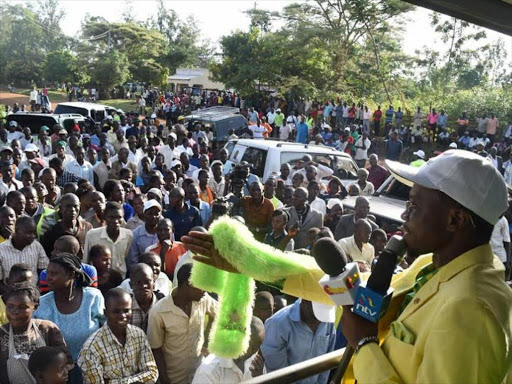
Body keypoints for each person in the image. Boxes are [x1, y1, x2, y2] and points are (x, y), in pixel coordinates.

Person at [341, 150, 512, 383]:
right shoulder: (438, 269)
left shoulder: (471, 310)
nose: (404, 214)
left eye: (414, 206)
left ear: (455, 220)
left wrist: (364, 344)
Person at [33, 252, 104, 382]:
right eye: (48, 273)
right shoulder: (41, 305)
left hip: (94, 371)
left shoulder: (93, 298)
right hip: (58, 376)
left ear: (71, 275)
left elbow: (107, 330)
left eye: (54, 274)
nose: (48, 277)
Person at [148, 263, 217, 384]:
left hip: (199, 374)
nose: (205, 291)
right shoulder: (158, 312)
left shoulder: (203, 299)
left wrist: (207, 339)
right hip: (174, 378)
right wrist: (165, 381)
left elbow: (220, 314)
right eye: (202, 286)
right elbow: (156, 350)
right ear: (188, 284)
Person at [77, 288, 158, 384]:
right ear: (105, 313)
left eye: (126, 310)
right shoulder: (91, 348)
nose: (122, 316)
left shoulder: (139, 335)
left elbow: (152, 373)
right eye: (116, 311)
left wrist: (113, 382)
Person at [0, 283, 68, 384]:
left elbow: (65, 365)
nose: (15, 312)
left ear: (35, 307)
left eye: (22, 307)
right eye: (10, 307)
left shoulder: (47, 329)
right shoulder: (1, 334)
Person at [261, 298, 336, 384]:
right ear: (305, 301)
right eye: (316, 316)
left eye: (324, 316)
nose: (320, 321)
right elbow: (277, 374)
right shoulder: (277, 324)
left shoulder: (328, 322)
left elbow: (326, 365)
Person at [192, 317, 266, 383]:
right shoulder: (209, 371)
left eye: (256, 345)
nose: (252, 350)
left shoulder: (255, 363)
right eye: (249, 343)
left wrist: (260, 378)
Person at [84, 202, 133, 277]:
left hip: (120, 279)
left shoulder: (128, 235)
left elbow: (126, 257)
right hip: (98, 279)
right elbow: (86, 261)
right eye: (111, 217)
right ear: (104, 217)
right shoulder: (92, 235)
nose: (116, 221)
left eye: (119, 217)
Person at [0, 217, 47, 292]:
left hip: (34, 293)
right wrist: (12, 294)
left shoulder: (37, 246)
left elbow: (43, 271)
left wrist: (36, 291)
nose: (33, 236)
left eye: (34, 232)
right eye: (29, 233)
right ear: (17, 231)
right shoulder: (1, 249)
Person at [41, 194, 92, 259]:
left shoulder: (87, 227)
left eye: (75, 206)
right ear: (60, 208)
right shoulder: (52, 232)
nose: (72, 210)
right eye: (68, 206)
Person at [126, 263, 165, 333]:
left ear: (154, 283)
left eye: (147, 281)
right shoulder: (126, 307)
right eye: (138, 283)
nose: (143, 286)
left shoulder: (163, 305)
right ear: (131, 285)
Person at [127, 200, 161, 268]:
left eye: (156, 214)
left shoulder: (165, 232)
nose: (153, 216)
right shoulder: (136, 234)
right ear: (144, 214)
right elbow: (133, 261)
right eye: (150, 213)